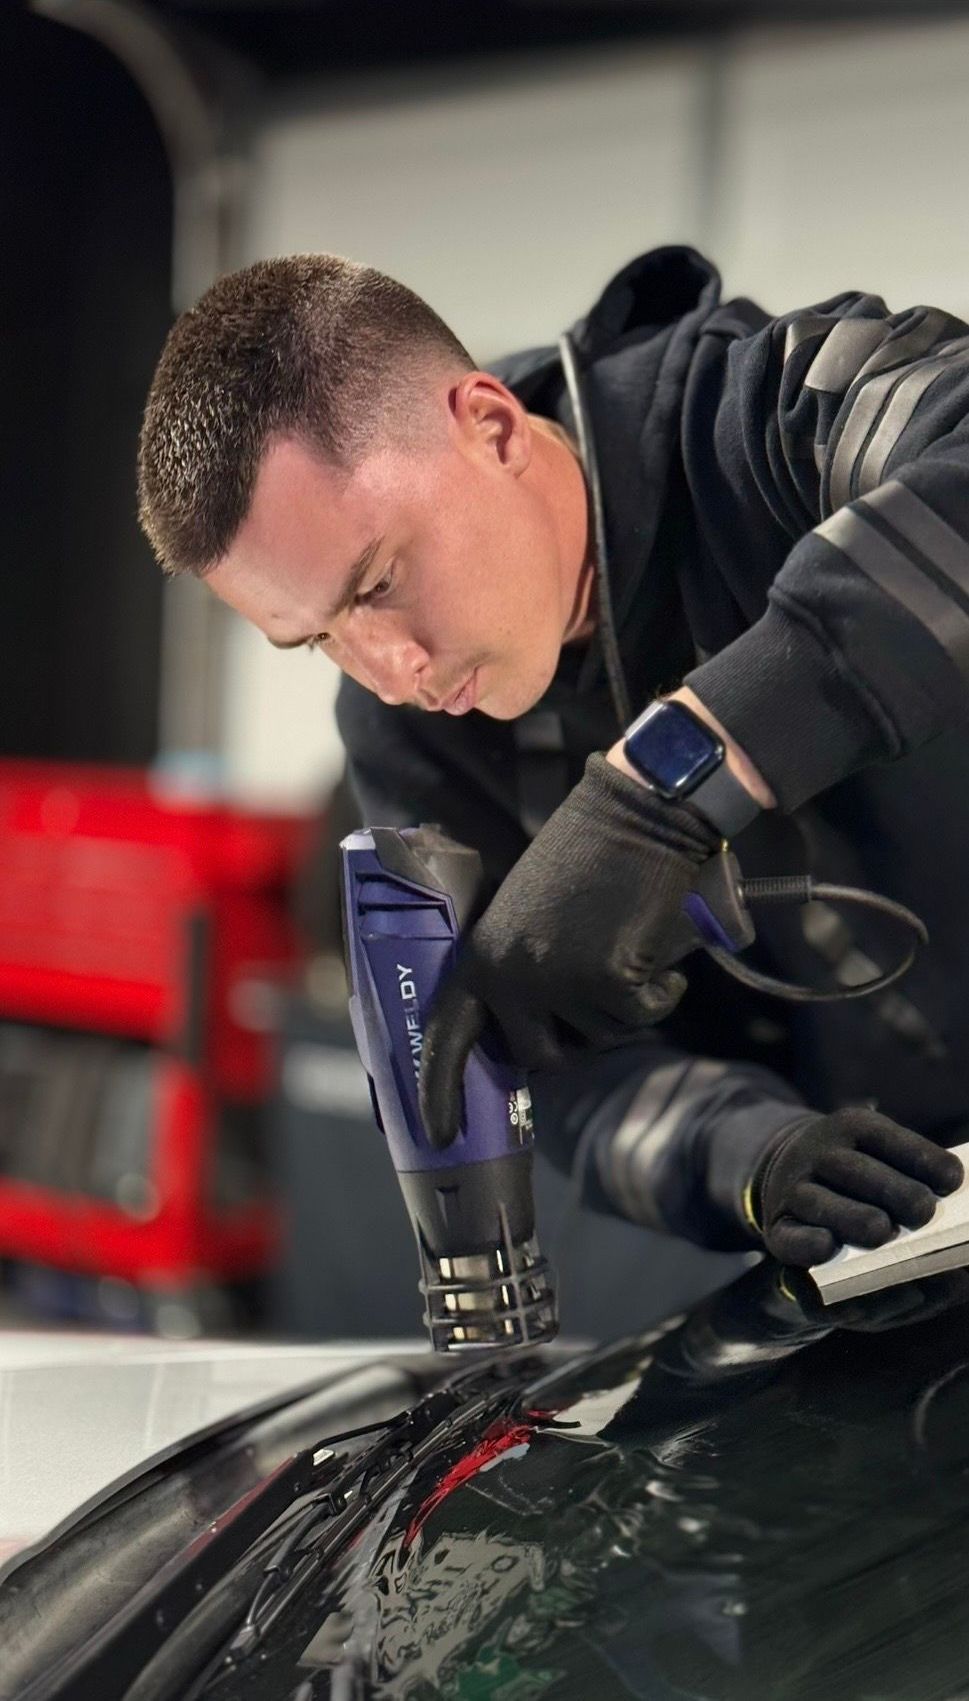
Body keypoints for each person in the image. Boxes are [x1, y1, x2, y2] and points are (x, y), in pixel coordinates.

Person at [136, 245, 969, 1274]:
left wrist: (663, 792)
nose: (388, 671)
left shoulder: (781, 404)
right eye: (318, 638)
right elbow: (552, 1064)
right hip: (919, 1218)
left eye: (379, 582)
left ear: (490, 427)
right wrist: (742, 1152)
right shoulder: (408, 735)